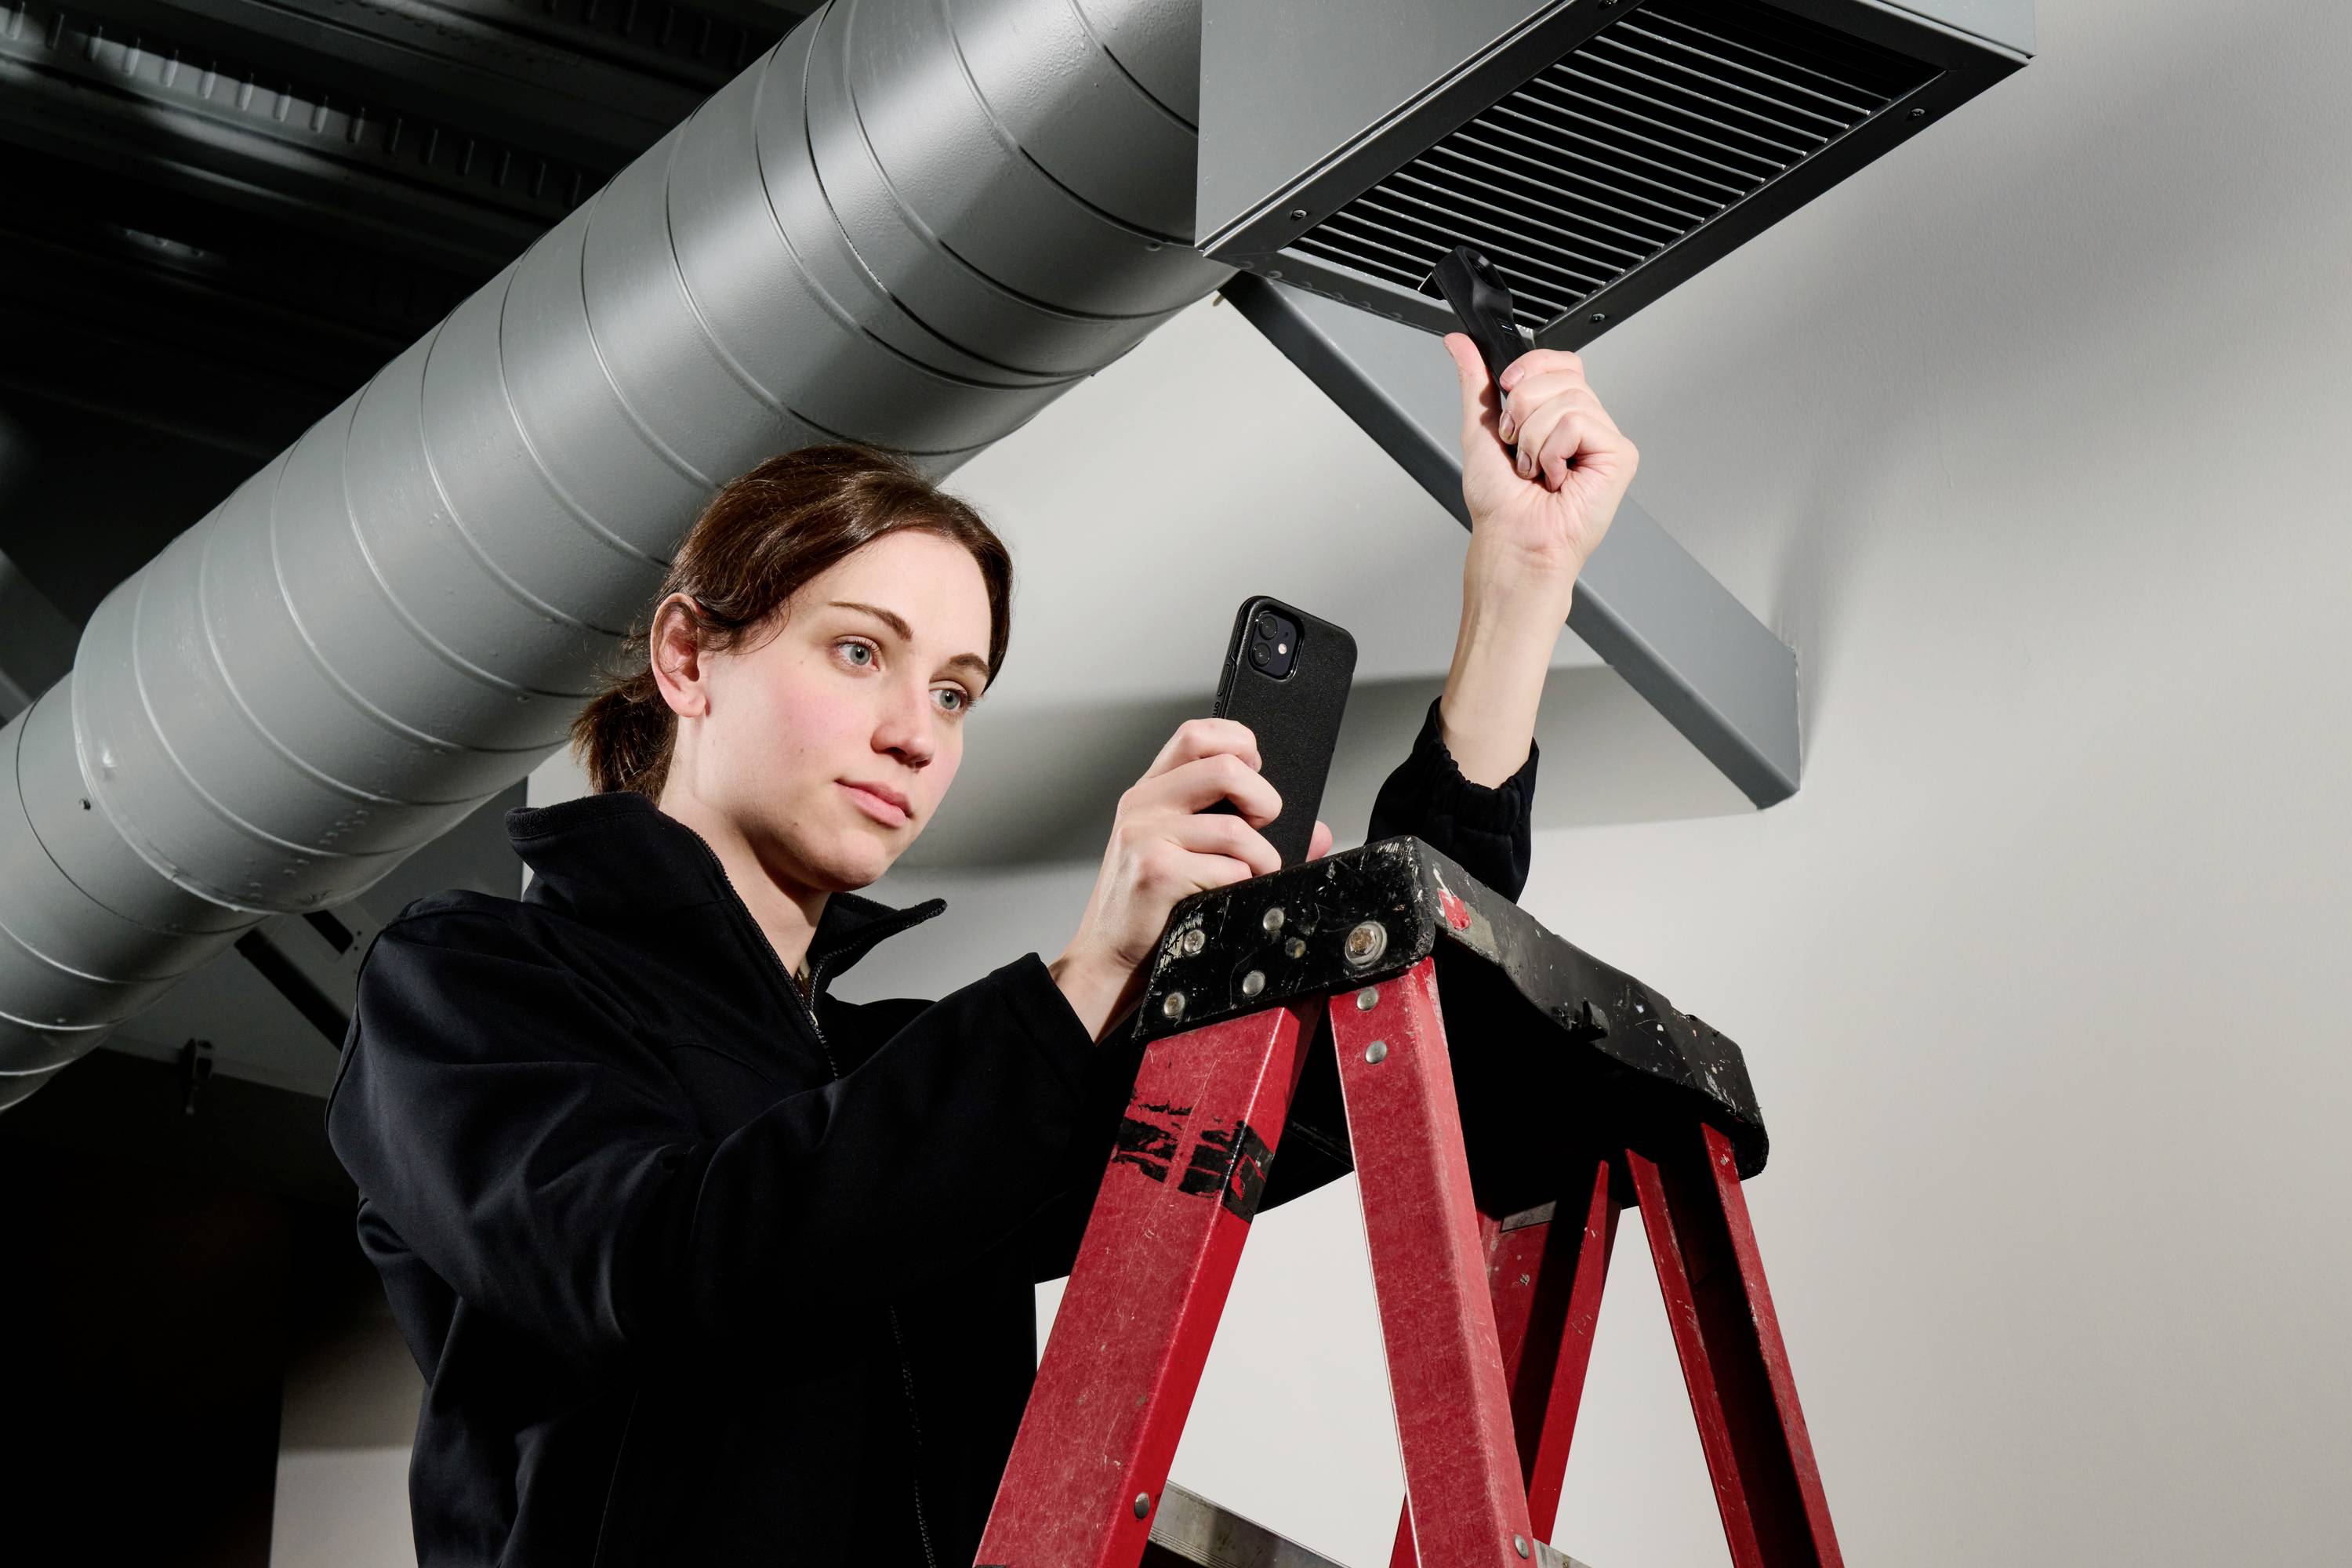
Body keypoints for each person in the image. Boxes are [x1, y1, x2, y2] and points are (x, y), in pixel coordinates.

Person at [327, 337, 1638, 1567]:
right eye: (860, 653)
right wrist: (1087, 976)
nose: (916, 732)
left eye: (954, 692)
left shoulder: (911, 1076)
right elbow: (666, 1267)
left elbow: (1330, 1089)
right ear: (687, 657)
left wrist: (1518, 595)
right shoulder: (470, 982)